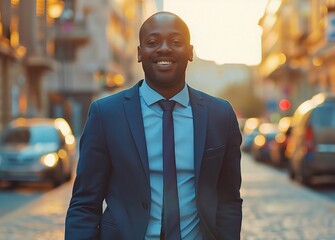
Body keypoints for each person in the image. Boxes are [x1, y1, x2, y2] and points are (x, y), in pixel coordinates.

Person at [65, 11, 243, 240]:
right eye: (152, 42)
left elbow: (229, 199)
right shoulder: (106, 115)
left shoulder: (220, 115)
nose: (164, 48)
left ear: (190, 51)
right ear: (140, 53)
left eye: (176, 42)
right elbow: (85, 204)